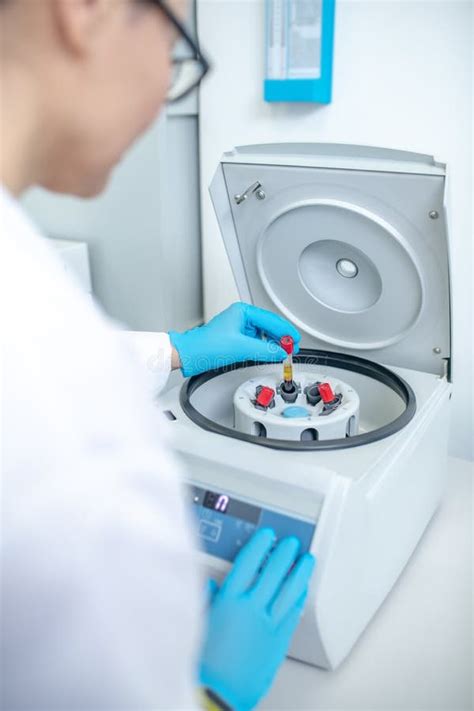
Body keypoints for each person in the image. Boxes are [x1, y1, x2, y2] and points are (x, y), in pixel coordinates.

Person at [0, 1, 316, 709]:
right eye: (178, 56)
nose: (159, 100)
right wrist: (211, 694)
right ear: (89, 11)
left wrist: (175, 351)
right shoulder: (56, 398)